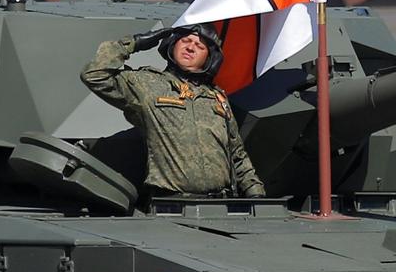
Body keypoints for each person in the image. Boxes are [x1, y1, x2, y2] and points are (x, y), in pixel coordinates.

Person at [81, 25, 265, 200]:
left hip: (220, 204)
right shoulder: (146, 84)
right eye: (185, 41)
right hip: (170, 204)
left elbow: (237, 154)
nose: (191, 48)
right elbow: (94, 75)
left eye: (200, 46)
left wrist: (256, 193)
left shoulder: (217, 97)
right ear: (173, 44)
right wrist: (133, 43)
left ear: (209, 58)